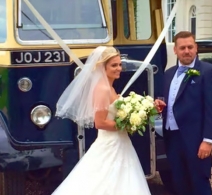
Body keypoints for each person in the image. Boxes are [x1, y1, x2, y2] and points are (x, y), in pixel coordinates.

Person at [53, 46, 152, 195]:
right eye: (114, 65)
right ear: (102, 67)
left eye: (119, 64)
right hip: (110, 143)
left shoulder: (110, 88)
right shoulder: (103, 89)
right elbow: (99, 123)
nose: (119, 68)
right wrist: (127, 125)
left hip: (120, 142)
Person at [159, 31, 212, 195]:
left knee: (199, 183)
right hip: (172, 138)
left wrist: (208, 140)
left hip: (195, 138)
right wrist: (159, 105)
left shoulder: (208, 71)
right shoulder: (168, 74)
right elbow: (171, 101)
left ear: (196, 48)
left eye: (190, 47)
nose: (187, 51)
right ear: (175, 50)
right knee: (178, 183)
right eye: (182, 48)